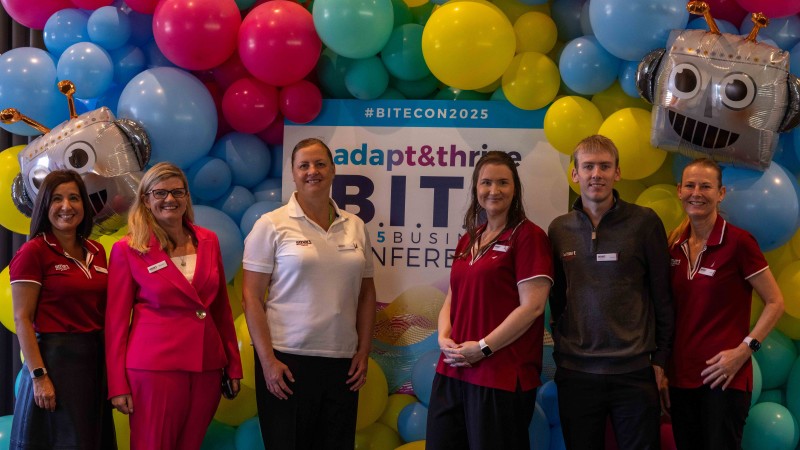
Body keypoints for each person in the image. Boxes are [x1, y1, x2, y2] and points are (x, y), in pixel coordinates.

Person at [241, 137, 377, 450]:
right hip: (286, 363)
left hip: (342, 364)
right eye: (304, 165)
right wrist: (268, 362)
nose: (312, 171)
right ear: (293, 173)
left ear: (333, 170)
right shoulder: (271, 225)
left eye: (320, 164)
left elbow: (367, 294)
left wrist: (363, 350)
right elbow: (251, 298)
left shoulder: (356, 225)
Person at [105, 162, 243, 450]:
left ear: (187, 197)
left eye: (177, 192)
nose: (170, 199)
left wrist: (233, 364)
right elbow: (116, 323)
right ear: (146, 200)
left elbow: (220, 309)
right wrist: (117, 384)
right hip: (154, 370)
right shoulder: (128, 249)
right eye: (160, 193)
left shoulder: (208, 240)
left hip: (206, 367)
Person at [548, 135, 674, 450]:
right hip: (576, 373)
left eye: (605, 166)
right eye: (588, 167)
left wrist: (660, 360)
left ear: (617, 173)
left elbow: (662, 296)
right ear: (575, 174)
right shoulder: (559, 230)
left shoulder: (644, 223)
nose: (597, 175)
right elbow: (557, 298)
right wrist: (563, 348)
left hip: (634, 372)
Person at [425, 151, 553, 450]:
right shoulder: (469, 238)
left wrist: (483, 348)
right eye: (486, 183)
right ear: (476, 188)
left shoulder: (529, 236)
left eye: (503, 182)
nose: (494, 190)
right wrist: (443, 337)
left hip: (499, 375)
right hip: (453, 368)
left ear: (515, 188)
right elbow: (452, 297)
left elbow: (533, 307)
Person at [666, 158, 784, 450]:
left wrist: (744, 350)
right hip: (680, 378)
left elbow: (775, 302)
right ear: (679, 191)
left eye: (706, 186)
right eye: (690, 185)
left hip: (724, 379)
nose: (697, 193)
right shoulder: (673, 245)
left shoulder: (739, 242)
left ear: (721, 193)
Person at [9, 170, 116, 450]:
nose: (66, 206)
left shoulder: (97, 251)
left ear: (84, 205)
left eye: (74, 198)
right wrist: (39, 377)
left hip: (93, 364)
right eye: (57, 199)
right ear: (45, 205)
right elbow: (22, 318)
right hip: (55, 365)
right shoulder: (33, 252)